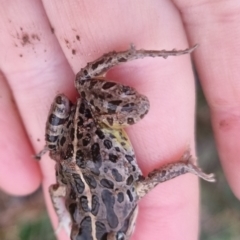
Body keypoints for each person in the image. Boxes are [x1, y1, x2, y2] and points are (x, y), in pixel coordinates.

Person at [0, 1, 239, 239]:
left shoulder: (132, 193)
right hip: (68, 137)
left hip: (98, 124)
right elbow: (55, 190)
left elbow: (164, 174)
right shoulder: (77, 199)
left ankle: (116, 62)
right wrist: (63, 213)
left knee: (140, 108)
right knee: (63, 112)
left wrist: (190, 167)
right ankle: (89, 81)